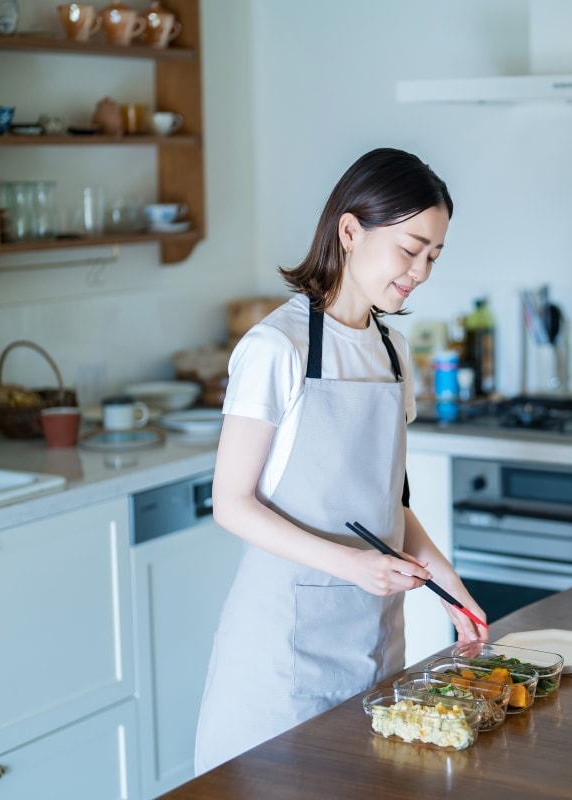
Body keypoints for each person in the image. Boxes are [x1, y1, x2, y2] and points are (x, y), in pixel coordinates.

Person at [194, 148, 488, 775]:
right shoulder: (276, 347)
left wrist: (450, 590)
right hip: (283, 656)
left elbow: (390, 509)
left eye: (433, 256)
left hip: (376, 642)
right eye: (410, 249)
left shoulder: (393, 353)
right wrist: (354, 565)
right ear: (350, 231)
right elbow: (232, 504)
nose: (421, 271)